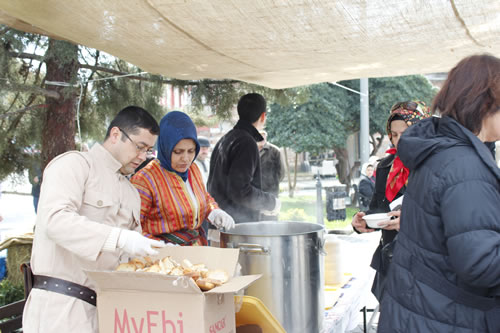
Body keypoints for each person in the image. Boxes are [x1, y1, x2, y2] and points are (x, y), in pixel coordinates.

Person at [378, 54, 500, 332]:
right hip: (446, 316)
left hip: (422, 309)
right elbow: (481, 263)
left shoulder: (441, 149)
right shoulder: (464, 165)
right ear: (485, 104)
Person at [23, 106, 166, 332]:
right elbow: (55, 221)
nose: (142, 157)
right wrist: (118, 237)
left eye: (148, 150)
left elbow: (128, 256)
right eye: (139, 147)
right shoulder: (75, 165)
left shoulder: (131, 192)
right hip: (60, 306)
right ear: (116, 134)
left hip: (106, 310)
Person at [351, 100, 432, 302]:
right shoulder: (385, 166)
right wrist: (363, 221)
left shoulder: (434, 165)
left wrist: (409, 220)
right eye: (394, 135)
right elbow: (379, 209)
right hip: (392, 259)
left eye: (405, 134)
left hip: (427, 262)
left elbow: (445, 216)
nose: (398, 141)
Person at [131, 111, 235, 246]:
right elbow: (134, 228)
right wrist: (160, 246)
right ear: (165, 148)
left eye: (191, 151)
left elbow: (202, 197)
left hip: (196, 250)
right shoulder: (145, 180)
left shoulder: (193, 170)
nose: (185, 159)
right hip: (161, 258)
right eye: (178, 152)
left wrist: (214, 211)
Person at [208, 93, 280, 225]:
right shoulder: (246, 142)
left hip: (220, 220)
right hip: (236, 225)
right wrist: (271, 202)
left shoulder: (226, 139)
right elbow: (240, 191)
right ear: (263, 116)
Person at [258, 130, 285, 220]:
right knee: (257, 218)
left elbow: (281, 172)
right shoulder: (251, 150)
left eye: (262, 136)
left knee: (271, 217)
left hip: (271, 191)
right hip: (256, 192)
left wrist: (272, 183)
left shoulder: (275, 151)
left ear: (266, 137)